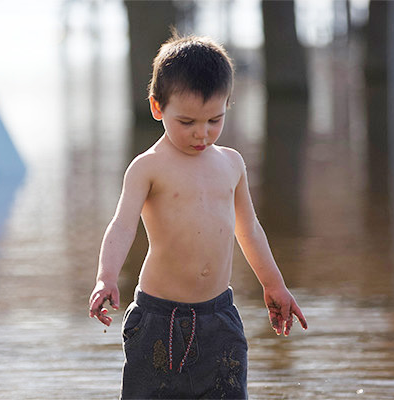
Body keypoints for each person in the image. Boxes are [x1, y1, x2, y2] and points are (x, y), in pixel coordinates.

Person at [88, 33, 308, 399]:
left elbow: (249, 229)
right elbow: (123, 224)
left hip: (219, 317)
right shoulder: (148, 167)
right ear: (158, 108)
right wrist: (106, 277)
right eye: (187, 121)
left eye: (214, 120)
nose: (201, 134)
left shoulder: (231, 163)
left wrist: (274, 284)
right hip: (159, 319)